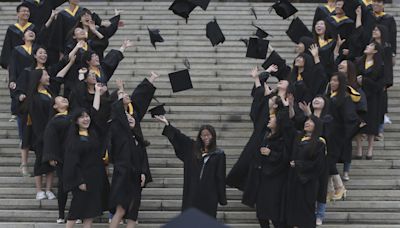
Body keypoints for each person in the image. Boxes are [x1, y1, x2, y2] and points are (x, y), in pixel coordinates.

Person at [108, 73, 158, 228]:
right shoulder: (116, 126)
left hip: (136, 172)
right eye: (123, 95)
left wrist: (143, 172)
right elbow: (118, 112)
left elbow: (141, 153)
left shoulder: (135, 128)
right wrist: (120, 89)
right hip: (123, 172)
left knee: (133, 212)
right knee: (121, 210)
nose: (130, 119)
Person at [154, 115, 227, 218]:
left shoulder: (219, 154)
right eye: (203, 135)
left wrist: (222, 198)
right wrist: (167, 124)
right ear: (200, 137)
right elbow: (180, 137)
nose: (206, 138)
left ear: (213, 136)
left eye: (208, 135)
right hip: (192, 193)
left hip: (209, 195)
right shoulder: (192, 149)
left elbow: (220, 177)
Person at [24, 57, 75, 200]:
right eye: (45, 75)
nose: (48, 76)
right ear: (38, 78)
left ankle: (48, 188)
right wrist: (43, 134)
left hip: (53, 132)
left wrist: (70, 63)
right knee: (40, 160)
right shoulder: (34, 97)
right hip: (40, 133)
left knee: (52, 160)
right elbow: (37, 118)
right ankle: (39, 189)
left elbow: (58, 78)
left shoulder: (49, 93)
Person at [63, 84, 110, 228]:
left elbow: (95, 113)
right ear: (76, 120)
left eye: (87, 116)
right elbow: (71, 162)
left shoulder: (93, 133)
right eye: (82, 117)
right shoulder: (74, 139)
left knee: (90, 213)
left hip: (95, 178)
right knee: (75, 211)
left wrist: (97, 93)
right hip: (82, 180)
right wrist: (79, 181)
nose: (86, 119)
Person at [226, 65, 280, 191]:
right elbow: (259, 93)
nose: (267, 90)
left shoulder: (279, 111)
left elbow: (261, 91)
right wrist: (263, 74)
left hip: (270, 142)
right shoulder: (263, 110)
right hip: (258, 138)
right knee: (248, 162)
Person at [242, 97, 293, 228]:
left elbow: (284, 157)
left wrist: (271, 154)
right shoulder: (266, 136)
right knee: (261, 213)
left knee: (275, 214)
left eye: (273, 118)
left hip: (275, 180)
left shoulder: (282, 139)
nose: (270, 119)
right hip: (262, 178)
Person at [285, 115, 326, 228]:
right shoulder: (298, 138)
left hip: (308, 182)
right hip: (294, 180)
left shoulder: (319, 143)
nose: (307, 122)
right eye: (307, 120)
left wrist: (299, 164)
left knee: (305, 213)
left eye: (311, 121)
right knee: (293, 211)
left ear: (317, 126)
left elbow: (318, 165)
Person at [297, 96, 332, 226]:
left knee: (321, 186)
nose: (316, 100)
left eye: (320, 99)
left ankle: (320, 214)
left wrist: (309, 114)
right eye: (315, 98)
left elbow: (322, 130)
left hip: (322, 156)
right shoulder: (307, 118)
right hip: (307, 156)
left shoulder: (328, 117)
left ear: (325, 103)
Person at [326, 72, 360, 201]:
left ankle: (340, 187)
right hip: (327, 134)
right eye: (331, 80)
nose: (333, 83)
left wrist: (344, 135)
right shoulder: (329, 96)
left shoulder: (345, 98)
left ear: (341, 83)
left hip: (336, 135)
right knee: (327, 162)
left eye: (336, 81)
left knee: (329, 161)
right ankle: (330, 190)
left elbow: (350, 119)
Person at [42, 96, 71, 224]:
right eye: (60, 99)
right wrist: (51, 156)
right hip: (62, 157)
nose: (64, 99)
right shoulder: (54, 121)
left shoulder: (75, 116)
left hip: (76, 156)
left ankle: (78, 213)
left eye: (65, 98)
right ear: (55, 106)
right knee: (63, 186)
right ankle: (61, 214)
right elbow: (50, 139)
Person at [337, 60, 367, 180]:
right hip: (335, 121)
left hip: (348, 122)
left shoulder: (355, 88)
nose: (340, 66)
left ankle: (346, 171)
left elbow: (361, 106)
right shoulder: (334, 84)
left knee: (347, 147)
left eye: (343, 65)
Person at [355, 42, 385, 159]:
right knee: (359, 122)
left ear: (375, 51)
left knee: (371, 123)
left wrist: (365, 81)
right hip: (359, 96)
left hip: (373, 98)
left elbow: (380, 85)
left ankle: (370, 148)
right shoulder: (359, 62)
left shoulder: (380, 65)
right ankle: (359, 148)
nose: (367, 47)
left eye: (370, 46)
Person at [0, 3, 35, 70]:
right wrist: (7, 64)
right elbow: (7, 46)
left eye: (28, 11)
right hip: (15, 62)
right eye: (24, 11)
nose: (26, 13)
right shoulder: (11, 29)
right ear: (18, 14)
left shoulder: (33, 28)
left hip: (30, 61)